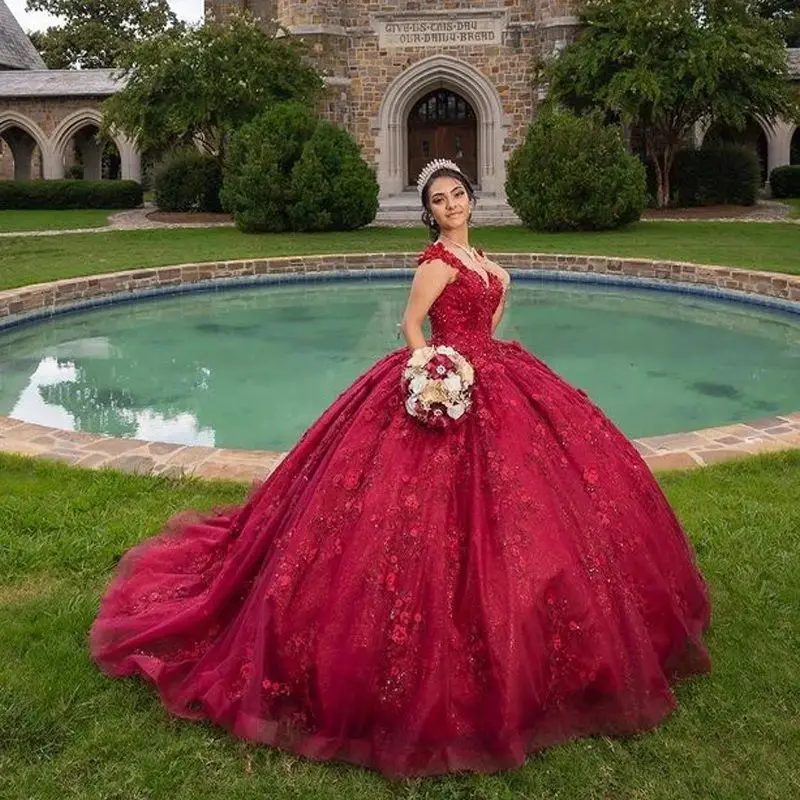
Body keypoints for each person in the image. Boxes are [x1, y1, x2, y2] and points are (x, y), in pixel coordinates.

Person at [90, 159, 711, 779]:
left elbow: (489, 328)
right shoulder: (437, 263)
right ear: (429, 212)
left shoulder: (492, 266)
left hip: (494, 375)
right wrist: (433, 375)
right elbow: (413, 325)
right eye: (440, 200)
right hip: (439, 380)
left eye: (458, 194)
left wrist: (472, 363)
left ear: (472, 197)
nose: (452, 205)